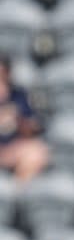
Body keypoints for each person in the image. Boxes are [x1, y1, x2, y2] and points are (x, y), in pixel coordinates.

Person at [0, 54, 49, 182]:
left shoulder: (18, 95)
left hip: (11, 148)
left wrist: (19, 120)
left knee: (36, 152)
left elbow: (33, 127)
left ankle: (16, 198)